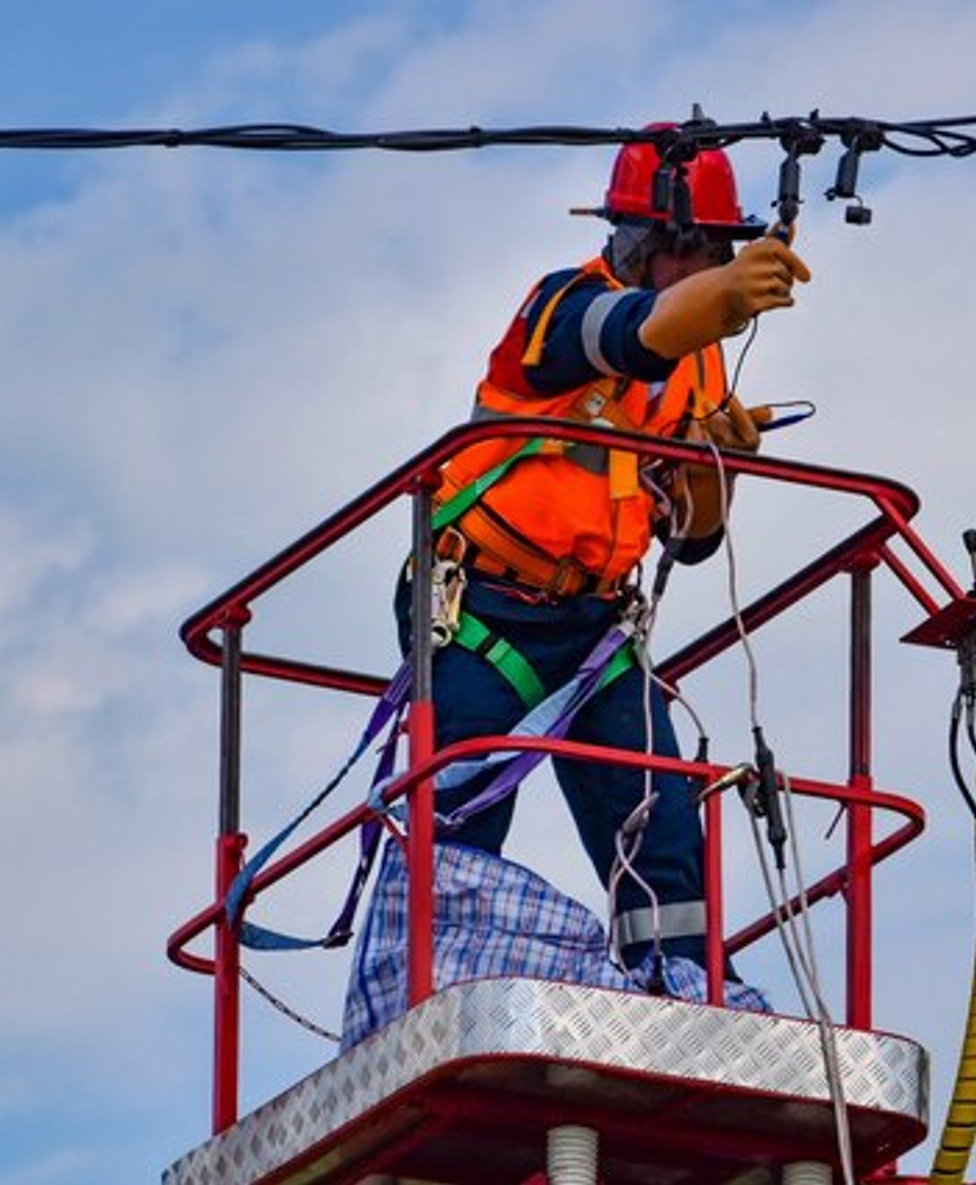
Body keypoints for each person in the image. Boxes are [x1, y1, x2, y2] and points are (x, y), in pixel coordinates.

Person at [341, 132, 810, 1043]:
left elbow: (693, 540)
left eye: (713, 252)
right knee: (458, 813)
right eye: (689, 248)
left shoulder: (702, 364)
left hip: (597, 628)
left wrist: (716, 470)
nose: (702, 264)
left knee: (663, 834)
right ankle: (422, 1008)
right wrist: (715, 298)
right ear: (638, 241)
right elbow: (624, 338)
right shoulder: (557, 307)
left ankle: (687, 1009)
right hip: (486, 608)